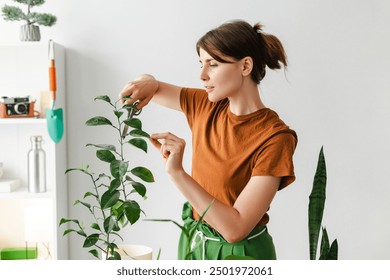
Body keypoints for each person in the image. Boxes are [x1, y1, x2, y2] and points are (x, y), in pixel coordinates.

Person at [119, 20, 297, 260]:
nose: (202, 75)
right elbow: (151, 88)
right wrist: (148, 78)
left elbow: (235, 229)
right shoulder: (206, 106)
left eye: (212, 65)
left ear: (245, 66)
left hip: (242, 256)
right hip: (195, 244)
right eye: (201, 64)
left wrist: (176, 173)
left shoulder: (275, 138)